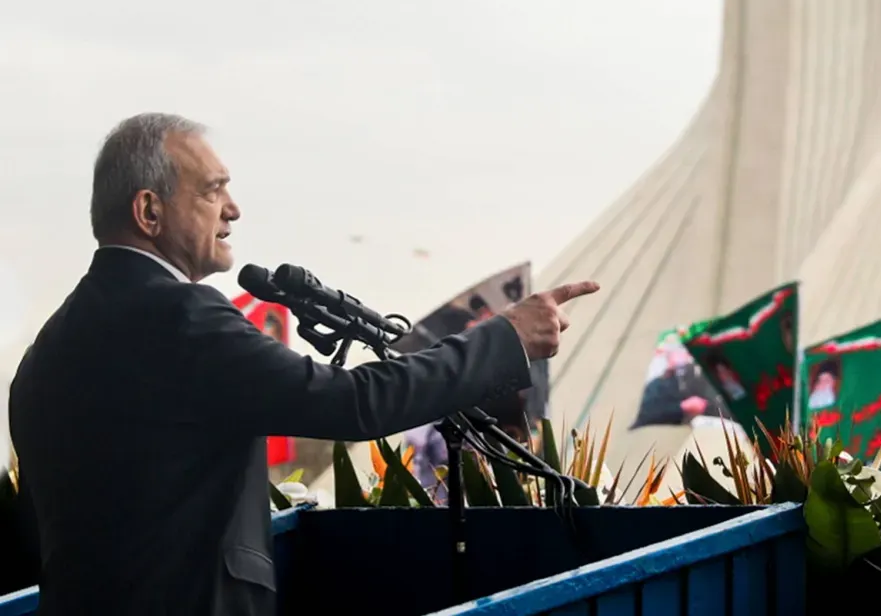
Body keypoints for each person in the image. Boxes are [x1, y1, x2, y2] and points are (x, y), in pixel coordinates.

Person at [8, 113, 600, 616]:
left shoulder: (48, 352)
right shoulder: (181, 317)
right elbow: (353, 403)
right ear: (149, 210)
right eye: (213, 190)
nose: (233, 210)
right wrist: (505, 339)